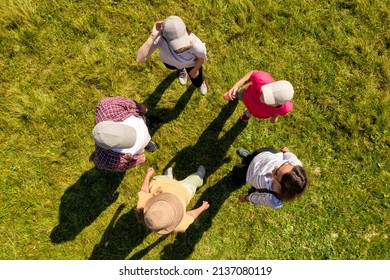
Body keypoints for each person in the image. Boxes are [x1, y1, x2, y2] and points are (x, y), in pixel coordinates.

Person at [136, 15, 208, 95]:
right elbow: (139, 58)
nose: (181, 48)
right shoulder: (160, 38)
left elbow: (201, 59)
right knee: (173, 67)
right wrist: (152, 37)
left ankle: (200, 83)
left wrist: (195, 70)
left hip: (191, 65)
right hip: (169, 62)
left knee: (197, 81)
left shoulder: (197, 45)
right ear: (164, 35)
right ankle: (181, 70)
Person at [136, 166, 210, 234]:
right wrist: (202, 207)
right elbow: (191, 215)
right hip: (184, 190)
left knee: (164, 178)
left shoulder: (142, 205)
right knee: (194, 181)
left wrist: (148, 175)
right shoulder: (180, 224)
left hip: (162, 183)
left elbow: (144, 190)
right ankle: (199, 176)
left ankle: (168, 176)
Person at [92, 96, 158, 172]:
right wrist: (139, 160)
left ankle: (147, 127)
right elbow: (124, 166)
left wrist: (142, 108)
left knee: (145, 123)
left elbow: (132, 105)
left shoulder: (107, 106)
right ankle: (147, 144)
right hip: (141, 143)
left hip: (142, 124)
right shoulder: (106, 160)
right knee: (145, 140)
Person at [231, 146, 308, 209]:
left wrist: (246, 198)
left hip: (249, 172)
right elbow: (290, 157)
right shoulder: (296, 166)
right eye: (284, 164)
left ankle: (236, 179)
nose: (276, 166)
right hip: (264, 155)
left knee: (238, 170)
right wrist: (287, 152)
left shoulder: (273, 200)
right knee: (252, 156)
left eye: (277, 173)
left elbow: (257, 199)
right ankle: (248, 157)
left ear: (281, 188)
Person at [224, 70, 294, 123]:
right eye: (266, 92)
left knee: (252, 109)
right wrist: (236, 85)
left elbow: (278, 112)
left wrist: (274, 117)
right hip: (247, 95)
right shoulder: (261, 79)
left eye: (269, 99)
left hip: (257, 111)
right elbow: (252, 74)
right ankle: (234, 93)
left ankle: (249, 112)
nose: (262, 98)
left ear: (279, 104)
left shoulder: (285, 108)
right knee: (240, 93)